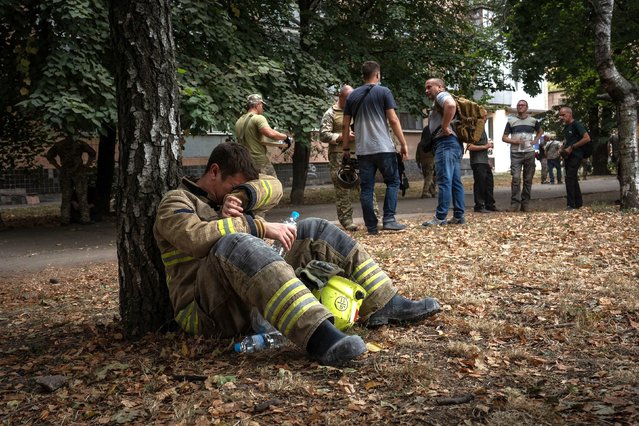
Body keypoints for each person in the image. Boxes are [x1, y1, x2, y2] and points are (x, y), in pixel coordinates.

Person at [153, 142, 441, 366]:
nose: (236, 194)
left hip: (246, 294)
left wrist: (239, 196)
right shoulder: (176, 201)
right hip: (204, 312)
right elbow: (193, 238)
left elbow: (273, 186)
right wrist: (255, 224)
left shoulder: (235, 199)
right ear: (214, 172)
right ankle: (319, 336)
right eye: (232, 185)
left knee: (314, 228)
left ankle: (385, 302)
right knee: (234, 243)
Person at [341, 61, 409, 235]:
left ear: (363, 75)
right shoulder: (384, 91)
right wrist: (403, 143)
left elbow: (345, 124)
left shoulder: (352, 96)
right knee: (393, 181)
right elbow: (393, 120)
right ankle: (389, 220)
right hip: (384, 147)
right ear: (377, 75)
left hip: (363, 150)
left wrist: (346, 149)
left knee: (367, 188)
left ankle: (371, 227)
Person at [319, 85, 379, 231]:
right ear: (341, 97)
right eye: (349, 99)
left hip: (359, 152)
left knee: (366, 185)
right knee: (343, 188)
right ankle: (346, 220)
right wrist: (341, 136)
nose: (353, 101)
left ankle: (374, 217)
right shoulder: (331, 113)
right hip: (339, 155)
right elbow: (323, 135)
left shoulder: (357, 110)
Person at [421, 78, 466, 226]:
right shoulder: (439, 100)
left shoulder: (442, 96)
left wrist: (445, 126)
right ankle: (459, 216)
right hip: (453, 144)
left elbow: (451, 105)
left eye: (429, 87)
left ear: (440, 87)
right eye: (425, 88)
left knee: (444, 180)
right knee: (455, 182)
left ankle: (440, 217)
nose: (427, 90)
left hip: (446, 143)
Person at [235, 94, 292, 177]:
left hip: (245, 161)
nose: (262, 108)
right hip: (259, 161)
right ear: (258, 105)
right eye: (262, 105)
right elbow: (270, 133)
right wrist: (286, 138)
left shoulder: (239, 121)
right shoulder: (258, 118)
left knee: (252, 186)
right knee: (274, 185)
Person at [46, 134, 97, 225]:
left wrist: (58, 167)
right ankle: (85, 218)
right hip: (78, 173)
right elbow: (92, 153)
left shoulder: (60, 144)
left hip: (67, 172)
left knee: (67, 197)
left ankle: (65, 219)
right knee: (81, 196)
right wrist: (87, 165)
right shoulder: (79, 143)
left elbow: (49, 155)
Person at [502, 100, 543, 212]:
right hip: (516, 153)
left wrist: (535, 140)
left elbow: (540, 131)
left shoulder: (533, 121)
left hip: (529, 152)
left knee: (528, 179)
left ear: (526, 107)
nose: (520, 107)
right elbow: (504, 137)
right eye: (518, 105)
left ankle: (525, 204)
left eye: (522, 105)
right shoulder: (511, 121)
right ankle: (514, 204)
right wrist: (514, 141)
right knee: (516, 178)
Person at [559, 106, 591, 210]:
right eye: (560, 115)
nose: (561, 117)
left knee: (569, 179)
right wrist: (563, 148)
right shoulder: (566, 127)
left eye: (563, 115)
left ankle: (570, 205)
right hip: (568, 156)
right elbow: (568, 141)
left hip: (577, 155)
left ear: (570, 114)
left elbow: (587, 138)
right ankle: (578, 203)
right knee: (572, 179)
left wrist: (572, 147)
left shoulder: (577, 124)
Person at [467, 131, 496, 213]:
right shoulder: (474, 130)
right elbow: (469, 147)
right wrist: (485, 146)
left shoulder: (483, 130)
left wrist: (487, 159)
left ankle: (490, 204)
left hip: (484, 161)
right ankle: (479, 205)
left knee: (489, 182)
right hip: (477, 161)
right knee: (480, 183)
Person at [415, 127, 437, 198]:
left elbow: (417, 154)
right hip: (431, 161)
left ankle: (433, 191)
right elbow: (435, 152)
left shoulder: (420, 143)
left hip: (422, 162)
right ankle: (425, 192)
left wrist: (418, 162)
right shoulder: (432, 142)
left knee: (427, 177)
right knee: (429, 177)